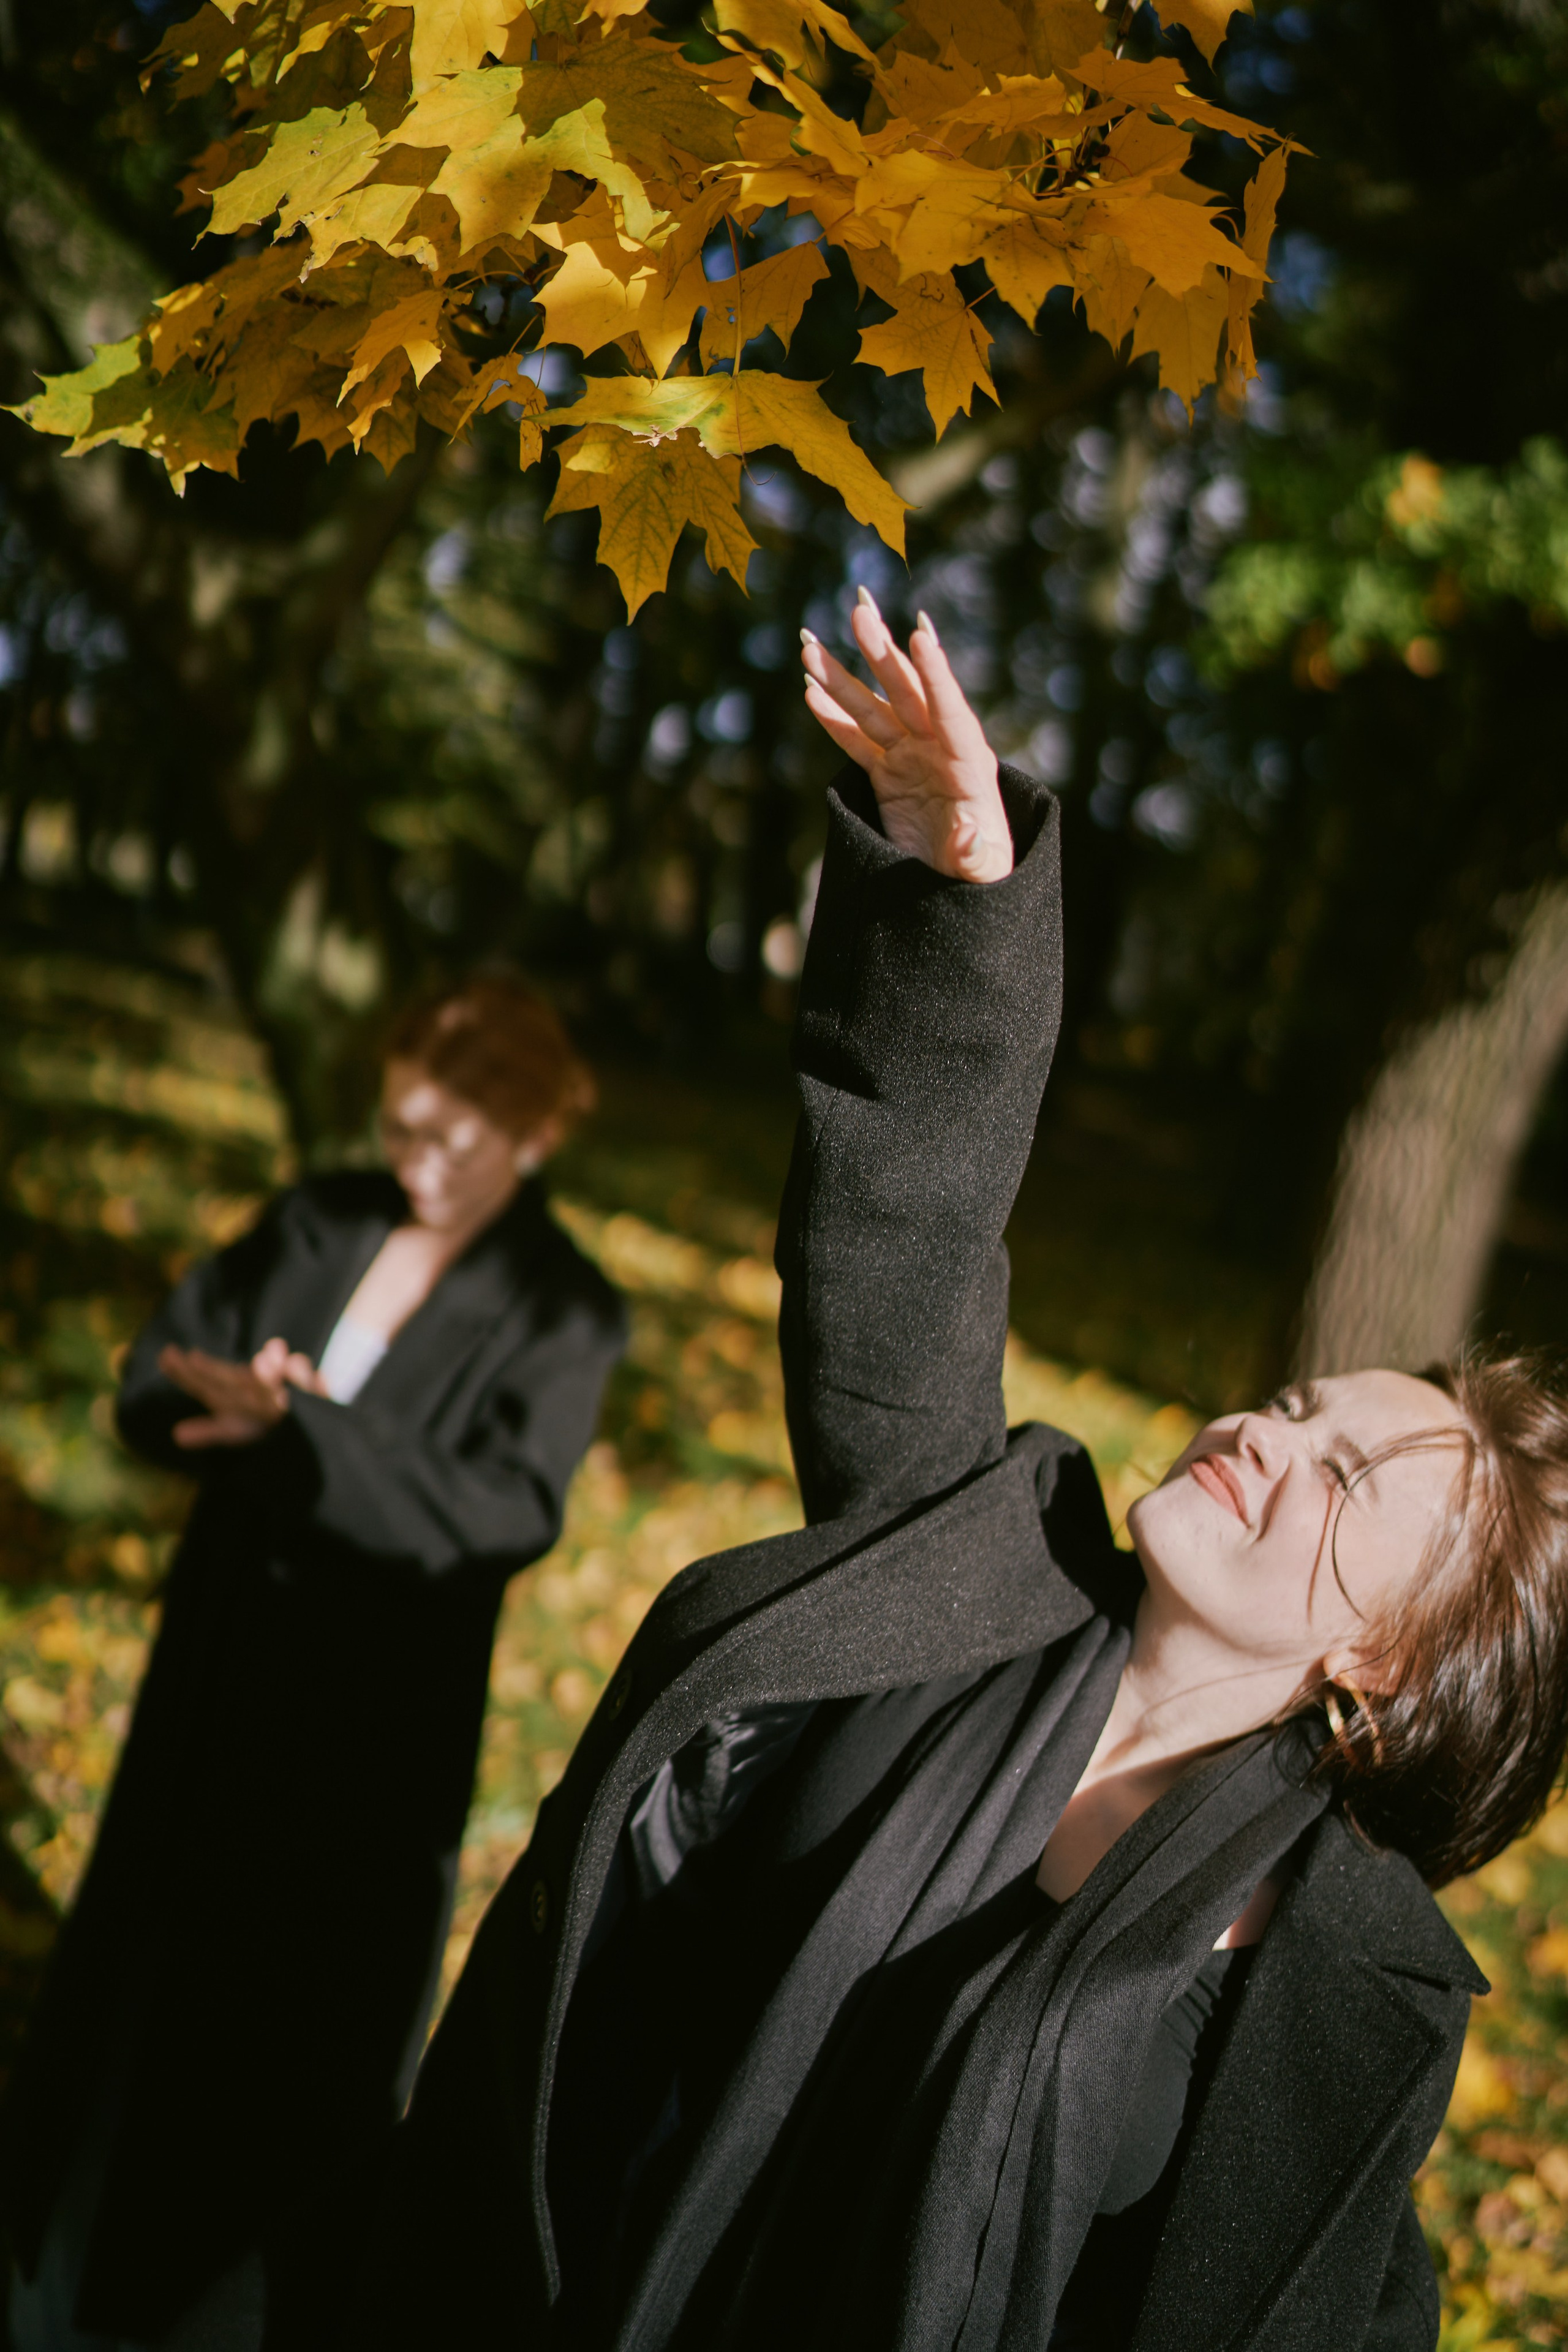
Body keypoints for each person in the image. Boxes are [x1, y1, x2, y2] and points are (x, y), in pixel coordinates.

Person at [299, 605, 1567, 2352]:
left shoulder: (1326, 2001)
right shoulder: (973, 1571)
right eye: (1294, 1400)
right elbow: (909, 1235)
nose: (1272, 1438)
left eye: (1347, 1483)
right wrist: (960, 893)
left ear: (1391, 1663)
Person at [1, 976, 627, 2352]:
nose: (415, 1162)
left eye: (447, 1139)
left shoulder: (565, 1307)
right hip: (219, 1674)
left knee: (299, 2026)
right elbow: (166, 1357)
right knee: (147, 1987)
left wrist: (305, 1442)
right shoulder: (325, 1216)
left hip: (370, 1726)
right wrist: (208, 1409)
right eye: (399, 1127)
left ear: (527, 1137)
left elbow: (506, 1505)